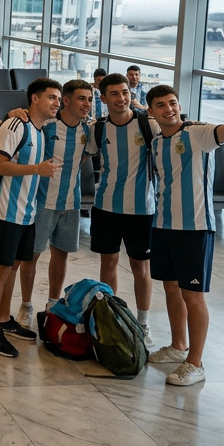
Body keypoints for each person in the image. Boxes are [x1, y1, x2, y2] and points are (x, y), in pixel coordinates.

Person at [144, 83, 224, 386]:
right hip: (164, 225)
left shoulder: (199, 133)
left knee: (192, 296)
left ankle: (195, 362)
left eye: (173, 103)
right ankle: (178, 346)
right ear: (151, 111)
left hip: (194, 227)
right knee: (171, 288)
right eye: (161, 105)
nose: (169, 109)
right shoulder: (156, 142)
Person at [0, 78, 61, 358]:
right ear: (34, 99)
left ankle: (4, 319)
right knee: (1, 269)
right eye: (51, 98)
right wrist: (37, 169)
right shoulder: (16, 125)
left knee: (13, 266)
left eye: (58, 99)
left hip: (26, 212)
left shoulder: (40, 130)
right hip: (4, 210)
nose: (56, 103)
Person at [14, 80, 94, 329]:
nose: (87, 104)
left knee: (61, 255)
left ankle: (52, 303)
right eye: (82, 98)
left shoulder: (87, 131)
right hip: (41, 202)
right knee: (31, 256)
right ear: (66, 101)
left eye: (90, 99)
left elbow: (83, 158)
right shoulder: (47, 125)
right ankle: (26, 304)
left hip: (70, 203)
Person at [86, 72, 157, 347]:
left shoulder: (148, 125)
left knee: (141, 267)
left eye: (125, 92)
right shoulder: (98, 129)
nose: (121, 98)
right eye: (114, 93)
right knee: (108, 263)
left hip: (142, 209)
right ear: (103, 98)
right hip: (106, 207)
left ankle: (143, 323)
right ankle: (111, 316)